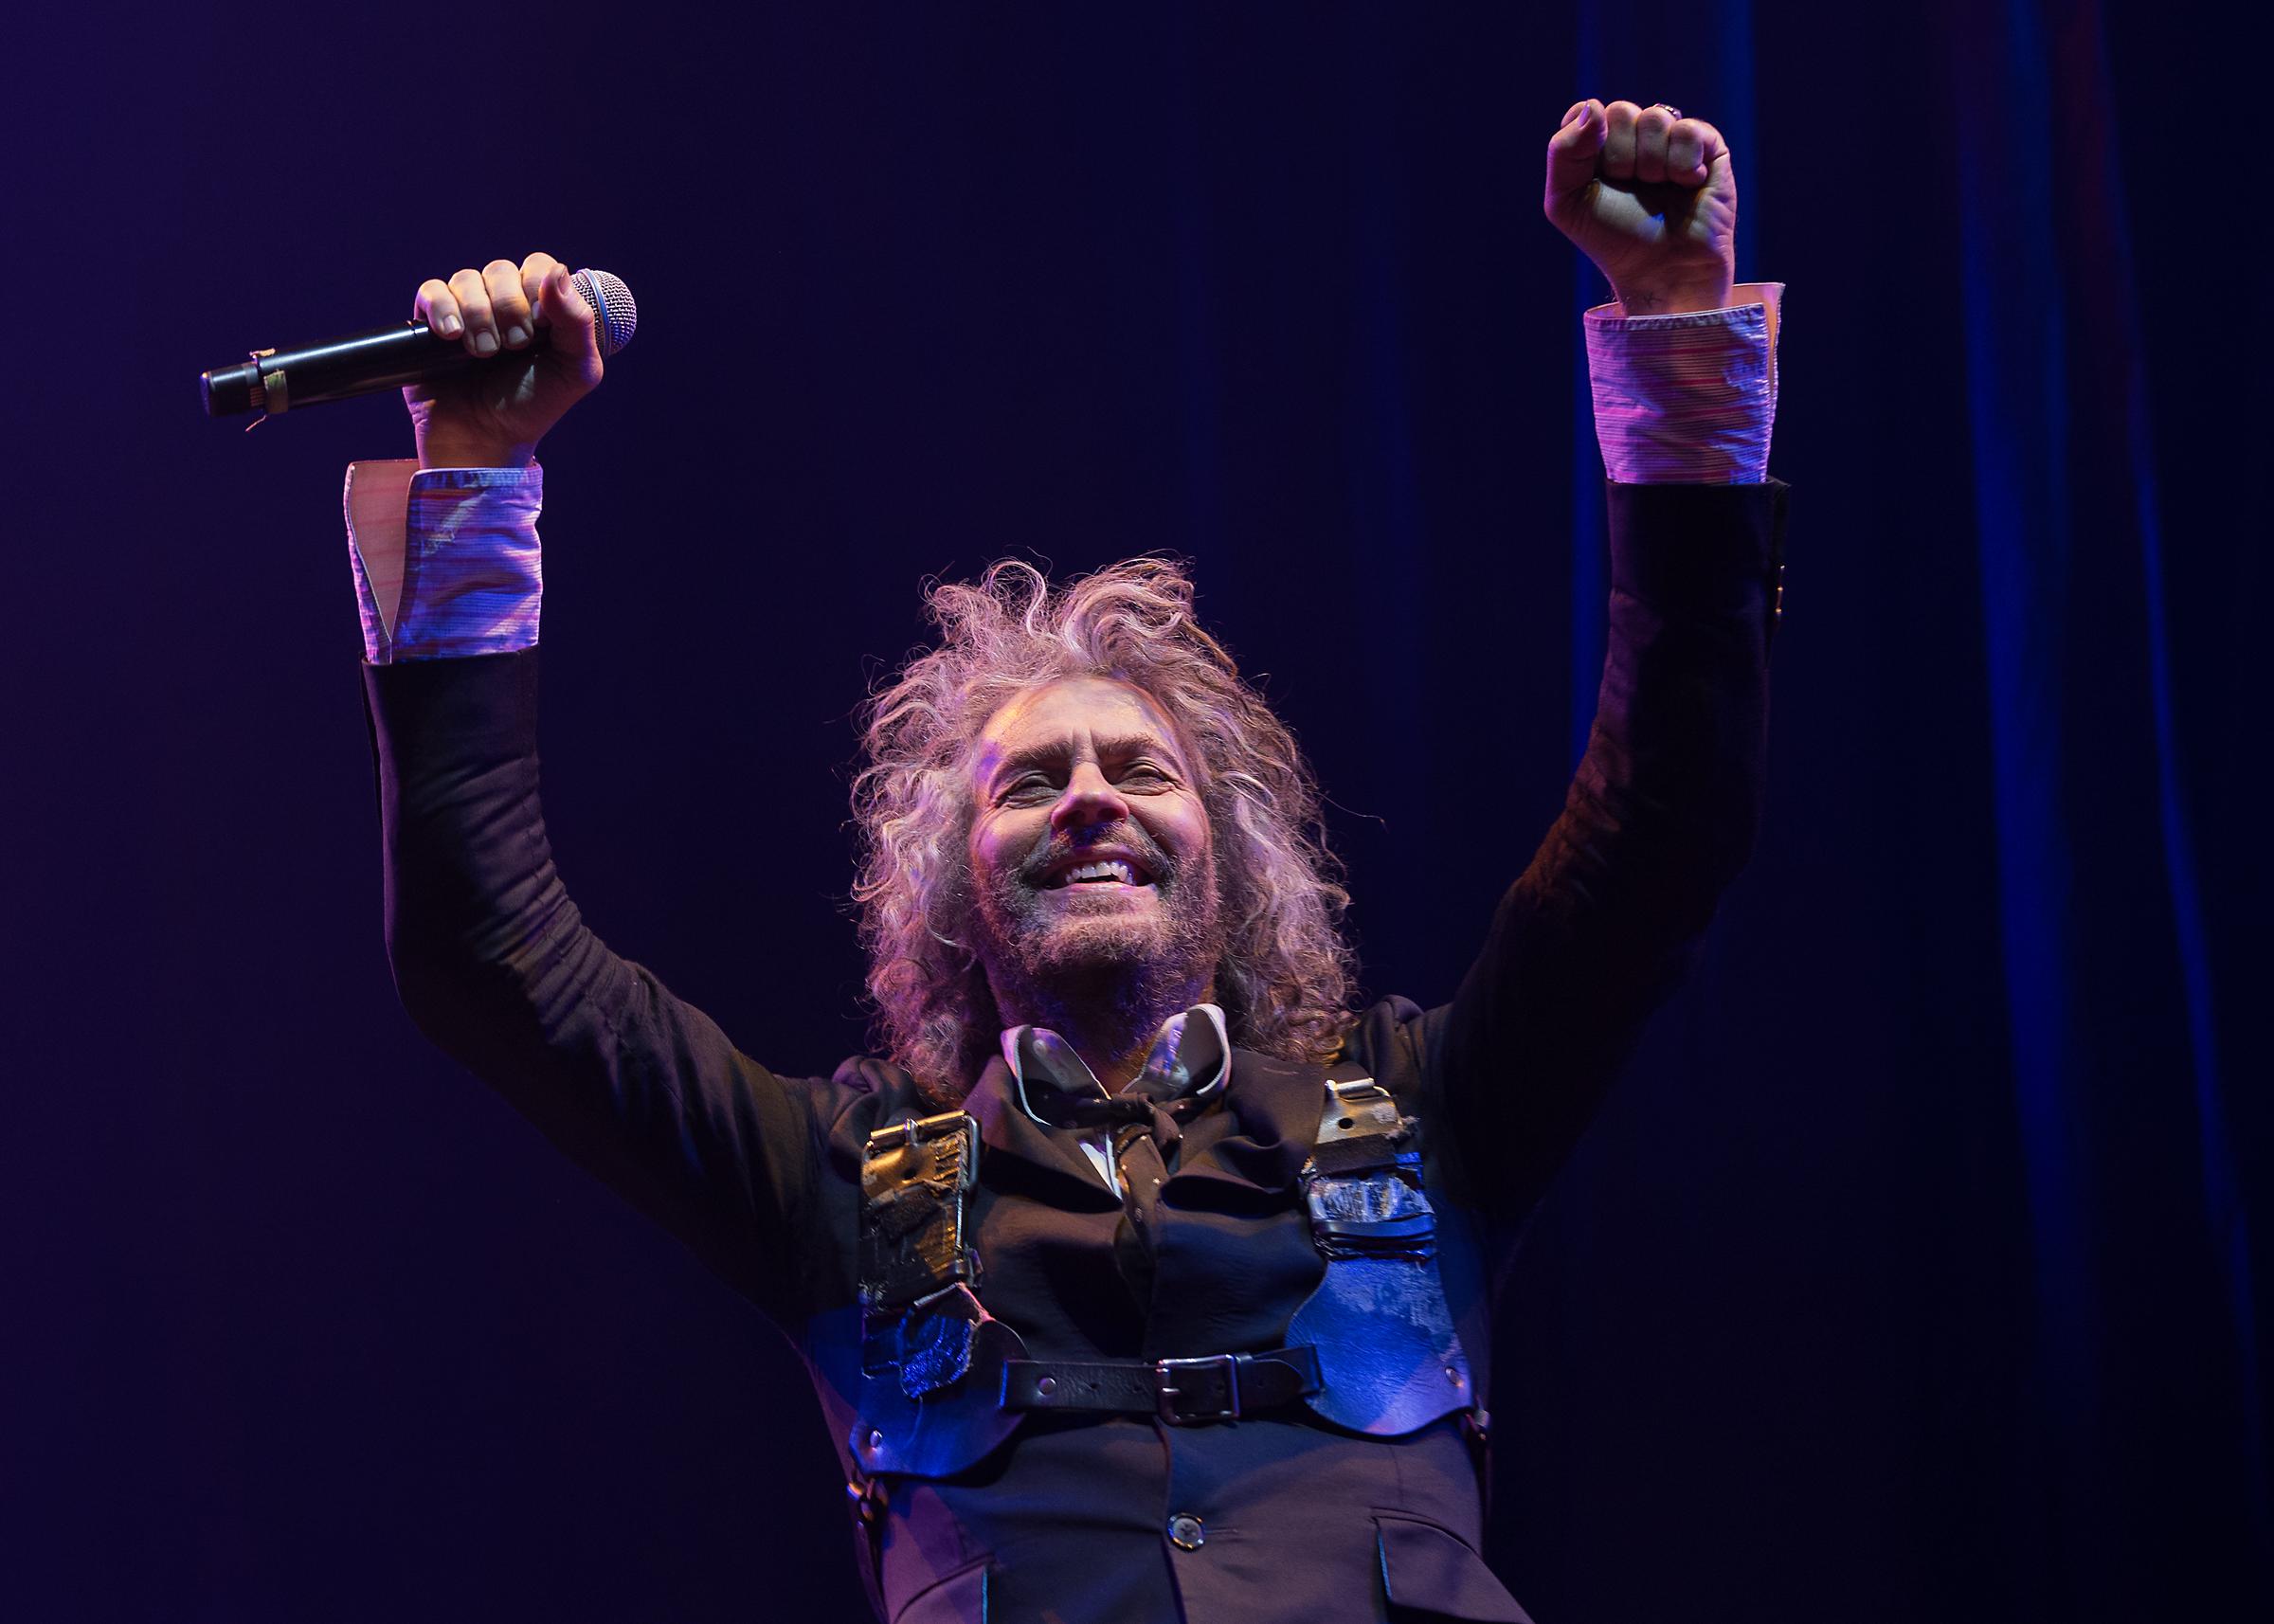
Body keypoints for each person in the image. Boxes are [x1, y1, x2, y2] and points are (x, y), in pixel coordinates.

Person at [344, 100, 1786, 1623]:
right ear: (959, 883)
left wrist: (1676, 331)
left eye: (1136, 768)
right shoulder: (833, 1181)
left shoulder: (1430, 1111)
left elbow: (1664, 821)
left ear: (1225, 852)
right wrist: (479, 472)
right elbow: (486, 954)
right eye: (1030, 782)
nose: (1089, 799)